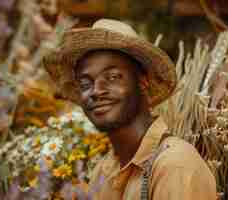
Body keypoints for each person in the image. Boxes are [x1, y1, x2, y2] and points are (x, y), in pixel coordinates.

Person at [44, 19, 216, 200]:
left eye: (112, 77)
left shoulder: (174, 166)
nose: (96, 90)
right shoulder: (104, 170)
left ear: (143, 81)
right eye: (85, 83)